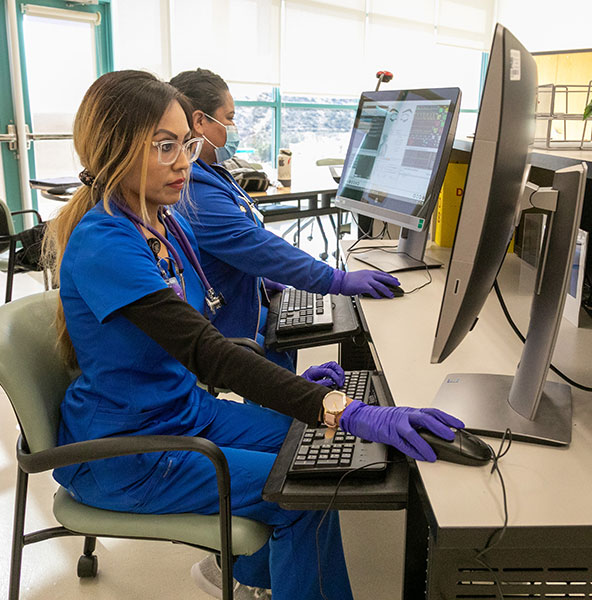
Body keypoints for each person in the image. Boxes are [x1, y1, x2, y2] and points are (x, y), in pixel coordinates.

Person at [44, 70, 464, 600]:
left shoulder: (164, 221)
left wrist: (296, 385)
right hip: (127, 450)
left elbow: (209, 328)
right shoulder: (107, 241)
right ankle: (266, 578)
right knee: (306, 491)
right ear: (115, 151)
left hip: (183, 412)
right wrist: (338, 406)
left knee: (316, 454)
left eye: (186, 143)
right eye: (164, 147)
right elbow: (206, 350)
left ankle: (254, 579)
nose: (184, 162)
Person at [170, 68, 402, 371]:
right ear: (200, 121)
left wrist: (264, 278)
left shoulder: (213, 174)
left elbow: (234, 250)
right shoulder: (194, 192)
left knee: (298, 332)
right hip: (229, 325)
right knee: (304, 338)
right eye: (229, 117)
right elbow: (258, 247)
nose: (233, 126)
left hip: (244, 304)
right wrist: (338, 280)